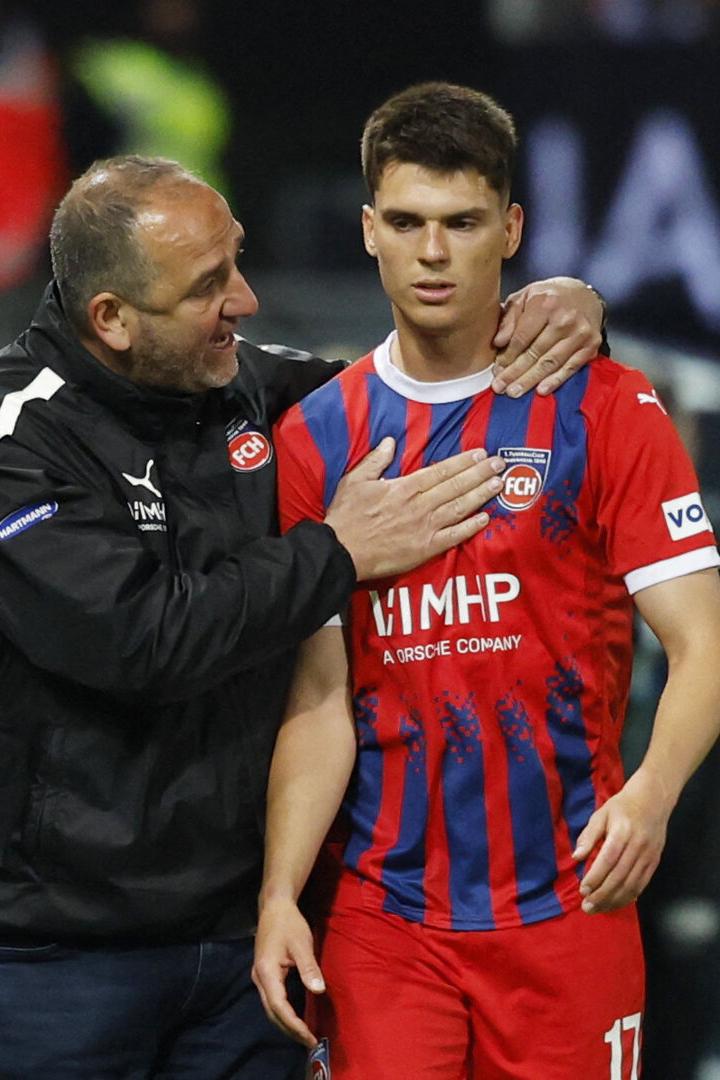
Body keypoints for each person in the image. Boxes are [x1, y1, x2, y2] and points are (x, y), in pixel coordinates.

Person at [0, 152, 603, 1080]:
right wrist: (337, 553)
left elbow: (428, 392)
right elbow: (140, 638)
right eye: (208, 286)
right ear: (111, 320)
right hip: (60, 961)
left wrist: (563, 314)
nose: (245, 300)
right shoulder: (20, 436)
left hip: (252, 944)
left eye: (236, 259)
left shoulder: (248, 386)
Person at [253, 81, 720, 1079]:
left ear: (511, 228)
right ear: (369, 229)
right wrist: (280, 894)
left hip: (570, 902)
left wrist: (652, 795)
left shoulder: (605, 407)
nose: (433, 252)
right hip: (383, 921)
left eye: (462, 222)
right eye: (410, 223)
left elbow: (703, 641)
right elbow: (320, 698)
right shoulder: (313, 437)